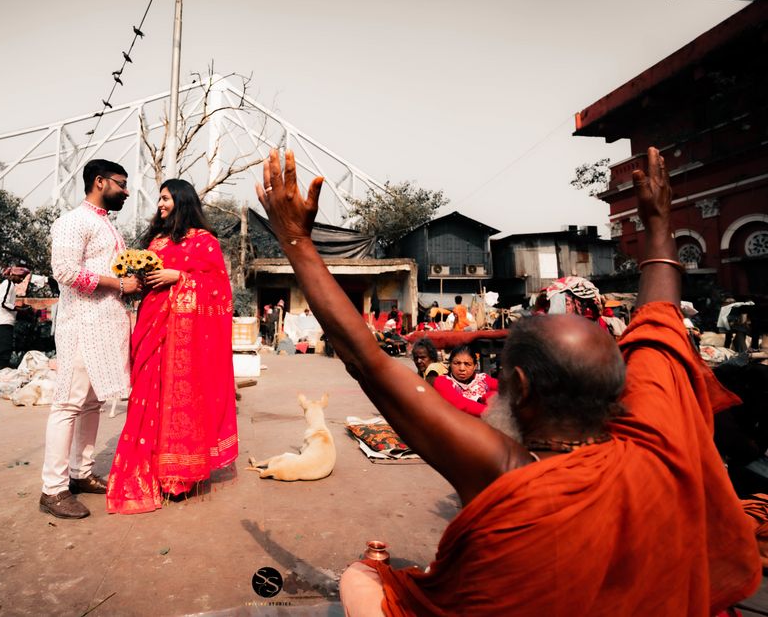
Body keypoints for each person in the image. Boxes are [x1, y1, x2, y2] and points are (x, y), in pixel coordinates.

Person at [256, 147, 758, 615]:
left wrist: (297, 240)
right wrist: (659, 224)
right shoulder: (658, 435)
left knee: (361, 581)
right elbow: (659, 321)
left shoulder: (508, 472)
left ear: (519, 385)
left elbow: (369, 362)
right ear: (622, 382)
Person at [106, 179, 238, 514]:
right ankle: (149, 470)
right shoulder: (156, 240)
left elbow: (220, 289)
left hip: (186, 339)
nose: (160, 204)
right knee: (147, 398)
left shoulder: (205, 242)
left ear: (181, 201)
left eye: (165, 198)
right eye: (160, 199)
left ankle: (179, 476)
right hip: (152, 324)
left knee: (180, 397)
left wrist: (178, 276)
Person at [38, 159, 141, 520]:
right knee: (68, 403)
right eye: (121, 184)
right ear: (100, 182)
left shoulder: (105, 224)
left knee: (91, 404)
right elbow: (64, 271)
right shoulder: (73, 221)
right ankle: (53, 489)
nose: (127, 192)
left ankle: (81, 474)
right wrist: (120, 284)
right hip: (81, 326)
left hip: (106, 326)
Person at [431, 344, 498, 417]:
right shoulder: (442, 382)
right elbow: (460, 404)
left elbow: (506, 390)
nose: (462, 368)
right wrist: (492, 412)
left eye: (467, 364)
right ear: (450, 364)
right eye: (457, 363)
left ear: (475, 366)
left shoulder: (484, 379)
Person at [0, 265, 29, 371]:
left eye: (23, 278)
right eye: (20, 277)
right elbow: (4, 303)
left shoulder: (9, 285)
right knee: (4, 351)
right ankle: (3, 373)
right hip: (3, 322)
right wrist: (18, 309)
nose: (21, 279)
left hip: (2, 321)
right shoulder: (8, 284)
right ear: (13, 274)